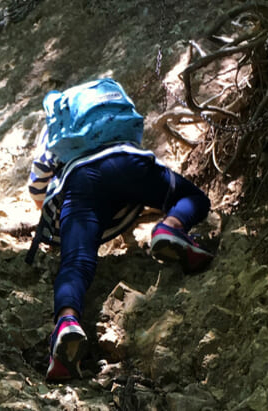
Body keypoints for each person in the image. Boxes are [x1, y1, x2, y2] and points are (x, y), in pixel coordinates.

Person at [28, 123, 214, 382]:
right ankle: (171, 227)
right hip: (127, 162)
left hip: (80, 181)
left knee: (75, 263)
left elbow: (37, 187)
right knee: (193, 198)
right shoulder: (109, 113)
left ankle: (67, 323)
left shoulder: (57, 126)